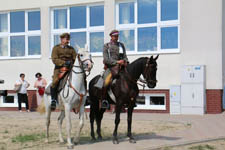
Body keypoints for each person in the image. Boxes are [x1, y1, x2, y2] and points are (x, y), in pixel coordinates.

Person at [101, 29, 129, 108]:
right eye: (114, 36)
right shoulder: (107, 46)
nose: (116, 37)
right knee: (105, 82)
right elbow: (106, 59)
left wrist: (125, 61)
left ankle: (130, 99)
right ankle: (104, 100)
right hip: (111, 68)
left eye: (117, 36)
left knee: (131, 78)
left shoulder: (121, 45)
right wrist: (117, 62)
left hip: (122, 67)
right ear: (111, 36)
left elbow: (125, 56)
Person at [50, 33, 77, 110]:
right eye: (66, 39)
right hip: (60, 68)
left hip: (71, 67)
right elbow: (54, 59)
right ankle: (53, 100)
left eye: (68, 39)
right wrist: (64, 63)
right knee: (55, 81)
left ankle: (82, 97)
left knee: (80, 77)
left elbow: (75, 58)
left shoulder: (71, 49)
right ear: (62, 39)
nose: (68, 41)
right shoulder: (56, 48)